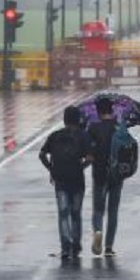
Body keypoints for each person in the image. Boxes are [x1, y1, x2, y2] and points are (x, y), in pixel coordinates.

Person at [39, 106, 91, 259]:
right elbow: (89, 158)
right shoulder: (83, 136)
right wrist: (80, 167)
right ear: (77, 119)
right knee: (76, 214)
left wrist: (51, 169)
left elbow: (42, 154)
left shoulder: (55, 136)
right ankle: (76, 246)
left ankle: (65, 246)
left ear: (64, 119)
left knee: (63, 214)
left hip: (60, 181)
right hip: (77, 181)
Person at [86, 96, 122, 257]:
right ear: (112, 110)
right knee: (113, 210)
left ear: (99, 112)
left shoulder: (93, 128)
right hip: (117, 174)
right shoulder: (120, 127)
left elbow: (88, 151)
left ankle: (98, 231)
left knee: (98, 209)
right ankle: (109, 246)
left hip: (99, 173)